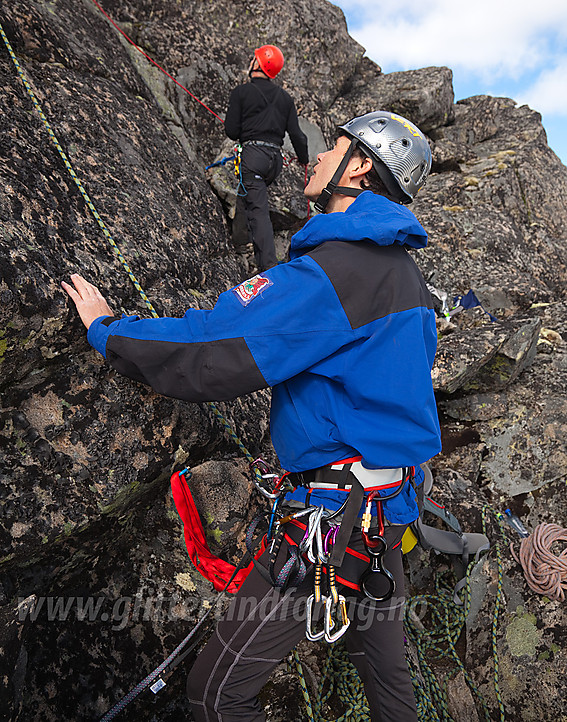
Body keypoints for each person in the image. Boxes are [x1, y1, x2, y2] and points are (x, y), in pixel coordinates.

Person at [62, 110, 441, 722]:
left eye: (333, 147)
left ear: (361, 166)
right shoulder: (410, 281)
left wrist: (111, 332)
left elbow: (216, 346)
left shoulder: (336, 272)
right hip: (385, 512)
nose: (314, 157)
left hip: (330, 522)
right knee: (391, 692)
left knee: (215, 696)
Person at [224, 44, 309, 271]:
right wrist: (304, 159)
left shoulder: (242, 92)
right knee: (250, 196)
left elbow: (232, 131)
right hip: (274, 161)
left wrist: (247, 131)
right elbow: (298, 136)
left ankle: (268, 267)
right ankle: (241, 240)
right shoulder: (285, 98)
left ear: (258, 64)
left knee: (258, 210)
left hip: (253, 157)